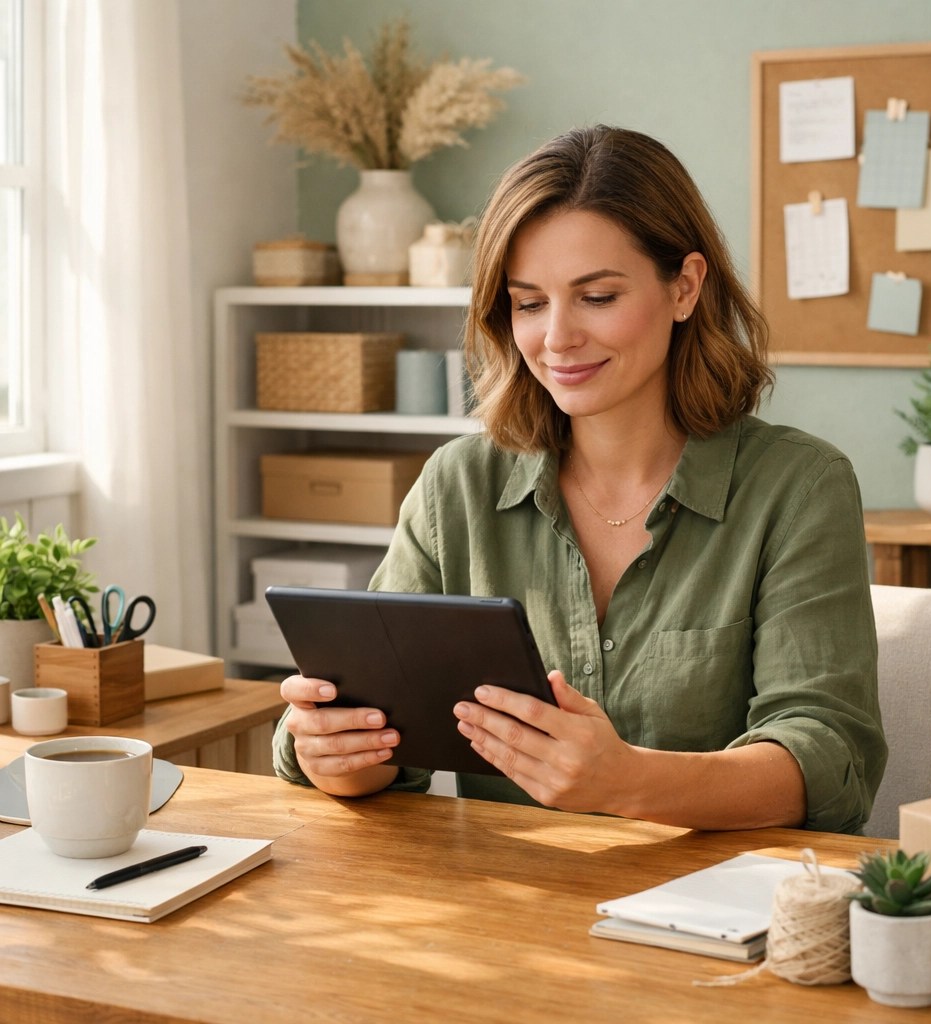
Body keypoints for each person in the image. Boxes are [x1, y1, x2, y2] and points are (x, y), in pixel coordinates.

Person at [273, 125, 886, 834]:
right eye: (529, 303)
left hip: (719, 913)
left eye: (596, 296)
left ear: (684, 287)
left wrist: (628, 781)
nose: (556, 337)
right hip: (508, 911)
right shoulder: (458, 486)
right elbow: (381, 738)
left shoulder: (799, 487)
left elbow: (830, 761)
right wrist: (337, 753)